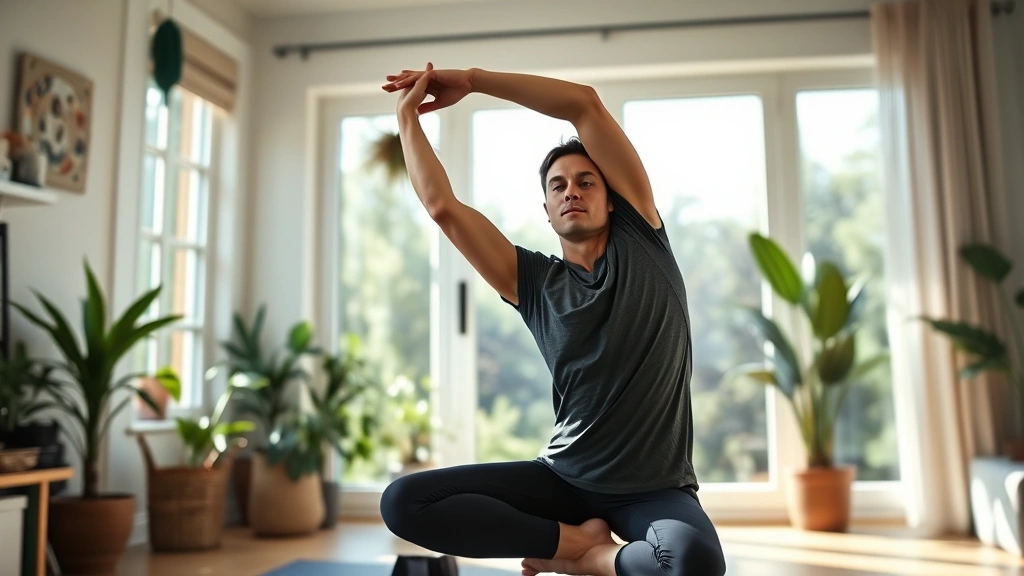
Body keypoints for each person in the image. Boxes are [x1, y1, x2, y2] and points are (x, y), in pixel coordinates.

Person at [379, 63, 727, 576]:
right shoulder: (533, 283)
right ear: (547, 209)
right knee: (403, 502)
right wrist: (408, 118)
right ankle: (568, 543)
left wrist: (473, 79)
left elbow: (583, 102)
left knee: (694, 563)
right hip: (565, 479)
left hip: (654, 489)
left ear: (613, 202)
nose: (572, 191)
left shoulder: (643, 239)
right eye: (558, 185)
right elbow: (442, 206)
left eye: (587, 182)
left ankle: (593, 558)